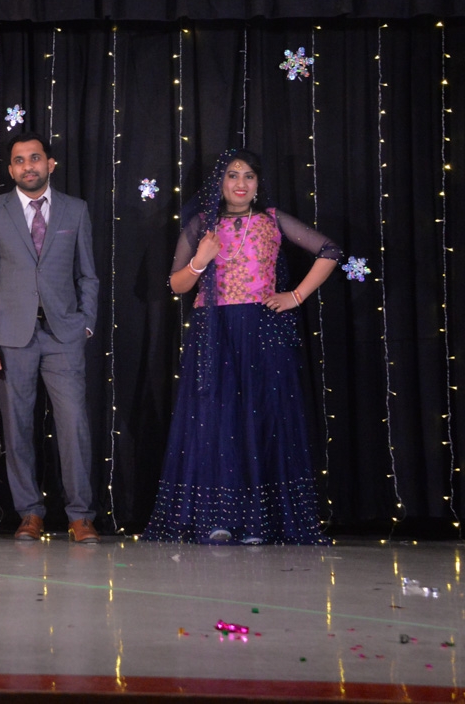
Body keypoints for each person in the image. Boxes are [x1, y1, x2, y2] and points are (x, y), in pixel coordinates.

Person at [144, 149, 341, 545]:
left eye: (249, 176)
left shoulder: (272, 219)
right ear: (219, 181)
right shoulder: (202, 224)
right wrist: (200, 260)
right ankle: (217, 518)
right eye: (232, 175)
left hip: (262, 330)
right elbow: (177, 285)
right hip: (213, 331)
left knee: (261, 420)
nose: (240, 183)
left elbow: (330, 251)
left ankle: (259, 522)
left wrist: (295, 296)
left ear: (257, 183)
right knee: (215, 422)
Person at [0, 132, 100, 544]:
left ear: (50, 163)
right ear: (11, 170)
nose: (28, 166)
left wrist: (86, 323)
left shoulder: (76, 210)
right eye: (20, 160)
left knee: (74, 424)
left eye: (35, 158)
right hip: (12, 337)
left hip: (64, 335)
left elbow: (88, 274)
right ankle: (29, 512)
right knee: (17, 427)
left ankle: (80, 515)